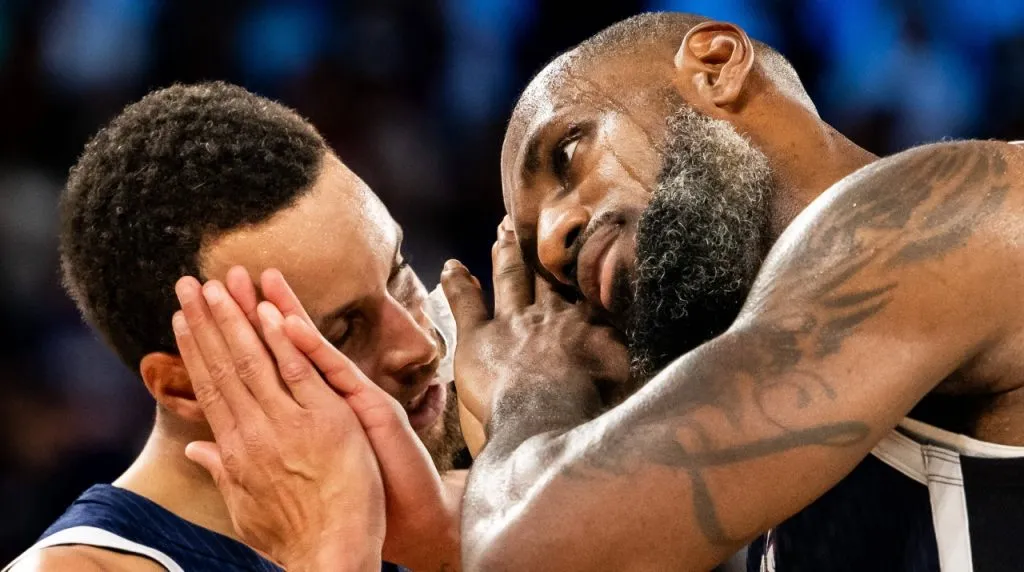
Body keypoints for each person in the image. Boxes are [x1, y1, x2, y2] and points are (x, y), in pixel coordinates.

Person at [175, 12, 1024, 572]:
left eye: (568, 154)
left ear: (717, 64)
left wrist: (531, 391)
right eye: (543, 257)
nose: (554, 239)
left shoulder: (938, 211)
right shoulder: (796, 417)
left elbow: (529, 549)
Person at [5, 82, 463, 572]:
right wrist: (334, 556)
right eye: (341, 333)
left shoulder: (476, 507)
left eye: (399, 273)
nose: (419, 347)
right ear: (186, 385)